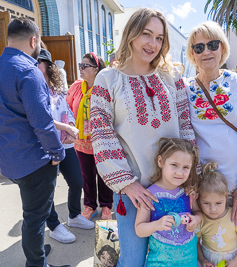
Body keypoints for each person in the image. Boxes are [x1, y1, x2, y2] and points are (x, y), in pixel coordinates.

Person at [90, 8, 196, 266]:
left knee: (176, 259)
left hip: (175, 190)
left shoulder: (172, 77)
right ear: (131, 34)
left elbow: (185, 128)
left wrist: (192, 178)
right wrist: (127, 184)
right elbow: (101, 134)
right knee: (133, 262)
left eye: (159, 38)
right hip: (134, 193)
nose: (153, 44)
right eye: (147, 34)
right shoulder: (108, 79)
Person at [0, 18, 69, 267]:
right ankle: (36, 263)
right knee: (34, 217)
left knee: (32, 214)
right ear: (33, 41)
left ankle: (37, 252)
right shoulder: (29, 71)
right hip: (34, 160)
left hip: (11, 160)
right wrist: (57, 152)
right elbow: (41, 122)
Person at [185, 21, 237, 266]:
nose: (206, 51)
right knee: (207, 245)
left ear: (223, 48)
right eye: (198, 47)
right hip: (204, 189)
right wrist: (192, 184)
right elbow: (184, 136)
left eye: (212, 44)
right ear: (192, 54)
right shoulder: (185, 89)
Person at [37, 48, 94, 244]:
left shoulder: (58, 87)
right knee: (48, 190)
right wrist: (69, 129)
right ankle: (53, 226)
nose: (36, 65)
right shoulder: (33, 87)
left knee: (77, 182)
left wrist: (70, 126)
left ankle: (74, 216)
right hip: (46, 147)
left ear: (49, 65)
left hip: (67, 147)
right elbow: (41, 120)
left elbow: (68, 109)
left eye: (40, 61)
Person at [135, 138, 199, 266]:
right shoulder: (149, 195)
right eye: (174, 165)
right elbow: (139, 229)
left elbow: (198, 212)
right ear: (161, 161)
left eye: (186, 167)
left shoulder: (187, 192)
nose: (179, 172)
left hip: (189, 259)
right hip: (160, 262)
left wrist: (196, 219)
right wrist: (157, 225)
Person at [66, 52, 113, 221]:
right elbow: (68, 107)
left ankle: (107, 206)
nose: (81, 69)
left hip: (102, 140)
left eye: (85, 66)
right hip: (82, 141)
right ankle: (90, 206)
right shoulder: (76, 87)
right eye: (81, 65)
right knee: (86, 175)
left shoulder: (105, 87)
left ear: (96, 69)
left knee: (104, 175)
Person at [197, 162, 237, 267]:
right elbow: (196, 243)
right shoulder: (201, 219)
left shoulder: (234, 217)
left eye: (218, 203)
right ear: (199, 200)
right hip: (210, 262)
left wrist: (236, 263)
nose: (212, 209)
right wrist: (202, 260)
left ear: (226, 198)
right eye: (206, 203)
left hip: (234, 262)